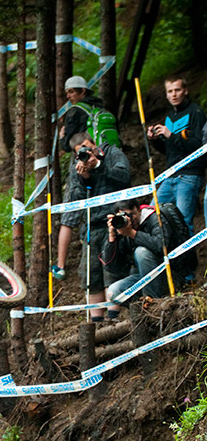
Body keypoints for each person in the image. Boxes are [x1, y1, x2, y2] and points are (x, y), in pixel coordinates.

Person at [52, 132, 131, 321]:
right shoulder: (77, 166)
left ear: (95, 143)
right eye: (81, 152)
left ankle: (114, 318)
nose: (87, 152)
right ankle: (96, 323)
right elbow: (76, 198)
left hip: (115, 219)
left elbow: (124, 176)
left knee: (112, 270)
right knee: (92, 274)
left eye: (89, 147)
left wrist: (99, 165)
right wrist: (84, 177)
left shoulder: (112, 153)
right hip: (92, 224)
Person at [102, 198, 196, 302]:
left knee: (141, 252)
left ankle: (153, 303)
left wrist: (132, 234)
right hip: (143, 277)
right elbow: (112, 268)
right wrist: (112, 237)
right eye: (124, 216)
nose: (130, 219)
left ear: (139, 210)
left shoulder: (155, 218)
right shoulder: (122, 228)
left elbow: (161, 246)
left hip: (171, 275)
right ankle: (143, 310)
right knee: (114, 292)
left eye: (131, 214)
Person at [147, 75, 206, 236]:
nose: (174, 94)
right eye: (170, 91)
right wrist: (155, 140)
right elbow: (169, 150)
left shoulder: (196, 113)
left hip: (190, 175)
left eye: (177, 90)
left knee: (183, 221)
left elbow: (199, 146)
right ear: (166, 94)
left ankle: (188, 260)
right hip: (170, 174)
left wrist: (171, 135)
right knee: (152, 214)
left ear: (185, 91)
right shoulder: (170, 117)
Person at [60, 75, 120, 153]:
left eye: (71, 92)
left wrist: (62, 137)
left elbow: (67, 146)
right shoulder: (99, 107)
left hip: (88, 157)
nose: (68, 96)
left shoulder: (75, 111)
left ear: (83, 91)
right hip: (109, 153)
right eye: (66, 93)